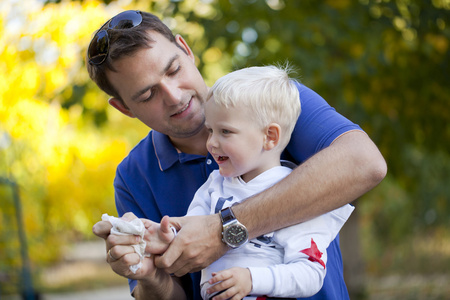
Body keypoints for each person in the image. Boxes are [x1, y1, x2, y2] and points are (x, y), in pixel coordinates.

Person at [87, 10, 386, 300]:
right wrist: (148, 274)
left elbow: (365, 163)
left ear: (186, 50)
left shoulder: (267, 96)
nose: (174, 96)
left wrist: (224, 230)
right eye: (148, 95)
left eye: (174, 69)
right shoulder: (133, 177)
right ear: (124, 108)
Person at [144, 65, 355, 300]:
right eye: (210, 130)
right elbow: (190, 233)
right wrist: (159, 234)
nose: (211, 143)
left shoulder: (299, 197)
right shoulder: (214, 186)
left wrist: (252, 279)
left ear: (270, 137)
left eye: (225, 131)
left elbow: (310, 273)